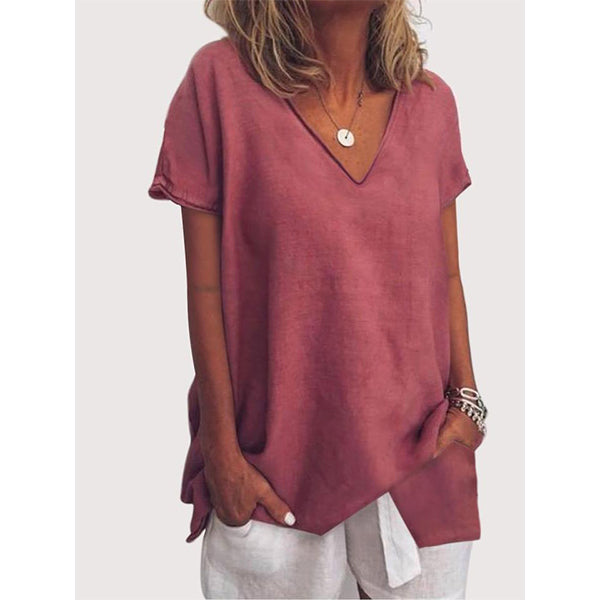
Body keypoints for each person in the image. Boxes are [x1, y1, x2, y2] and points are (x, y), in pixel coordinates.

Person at [148, 1, 487, 598]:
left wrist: (468, 406)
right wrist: (222, 455)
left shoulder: (431, 102)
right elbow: (204, 289)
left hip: (422, 465)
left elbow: (448, 275)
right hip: (276, 470)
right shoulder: (219, 84)